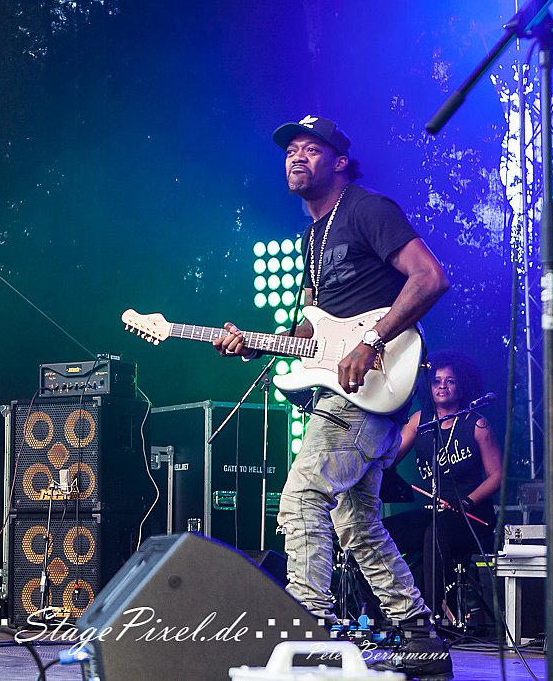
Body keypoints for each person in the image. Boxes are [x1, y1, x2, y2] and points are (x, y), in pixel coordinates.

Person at [214, 115, 452, 677]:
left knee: (301, 499)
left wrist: (372, 341)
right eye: (290, 150)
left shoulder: (369, 210)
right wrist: (252, 344)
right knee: (356, 520)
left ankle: (308, 637)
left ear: (340, 161)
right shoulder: (311, 238)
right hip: (353, 389)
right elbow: (309, 332)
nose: (296, 156)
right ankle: (421, 637)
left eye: (311, 149)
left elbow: (429, 277)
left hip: (372, 383)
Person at [384, 350, 502, 624]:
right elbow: (390, 459)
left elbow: (497, 476)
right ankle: (388, 610)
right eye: (436, 381)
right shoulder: (420, 421)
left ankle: (433, 613)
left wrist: (467, 501)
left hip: (472, 516)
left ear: (462, 386)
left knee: (435, 533)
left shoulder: (477, 424)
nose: (442, 386)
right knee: (378, 534)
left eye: (450, 381)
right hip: (433, 513)